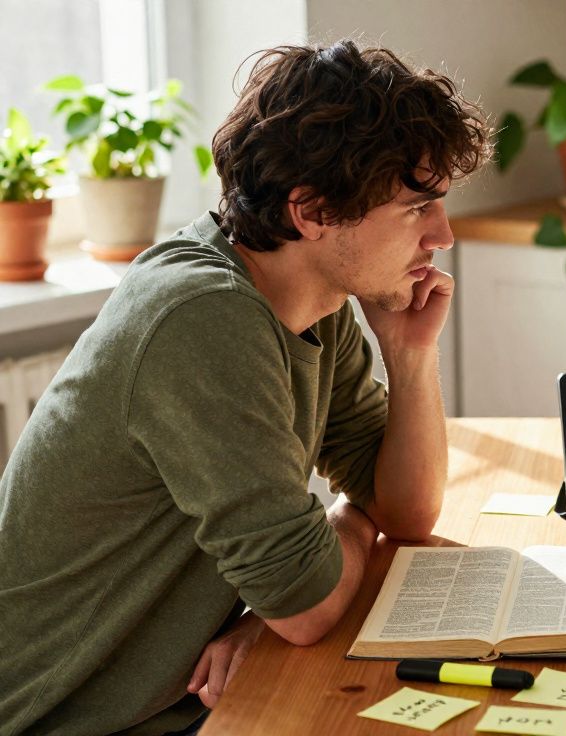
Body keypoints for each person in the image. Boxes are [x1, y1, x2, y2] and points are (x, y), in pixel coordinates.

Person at [0, 40, 488, 735]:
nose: (442, 235)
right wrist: (348, 522)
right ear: (313, 212)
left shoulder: (312, 298)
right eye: (417, 208)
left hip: (169, 700)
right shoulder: (202, 320)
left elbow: (406, 513)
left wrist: (409, 358)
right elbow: (308, 605)